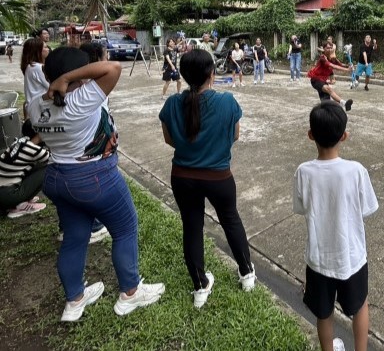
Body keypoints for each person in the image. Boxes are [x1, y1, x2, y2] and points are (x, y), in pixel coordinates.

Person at [27, 47, 165, 321]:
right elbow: (113, 69)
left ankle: (74, 300)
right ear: (74, 78)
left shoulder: (34, 105)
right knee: (125, 228)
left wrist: (59, 79)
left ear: (46, 73)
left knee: (75, 239)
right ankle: (130, 292)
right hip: (93, 176)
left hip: (57, 177)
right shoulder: (79, 99)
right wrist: (70, 79)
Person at [159, 49, 256, 308]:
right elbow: (234, 136)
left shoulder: (171, 104)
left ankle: (200, 286)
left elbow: (169, 140)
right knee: (231, 220)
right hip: (219, 177)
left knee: (192, 227)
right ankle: (247, 273)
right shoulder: (227, 102)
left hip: (183, 176)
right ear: (212, 73)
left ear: (184, 75)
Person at [293, 101, 378, 351]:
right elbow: (367, 209)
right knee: (360, 305)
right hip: (352, 257)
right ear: (345, 136)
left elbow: (301, 209)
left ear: (310, 136)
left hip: (319, 258)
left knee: (324, 312)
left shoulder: (303, 172)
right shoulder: (356, 171)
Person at [0, 136, 48, 218]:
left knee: (38, 166)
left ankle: (21, 201)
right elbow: (57, 160)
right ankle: (20, 206)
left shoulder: (19, 142)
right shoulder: (33, 149)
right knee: (49, 169)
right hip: (8, 195)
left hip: (3, 194)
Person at [307, 42, 353, 111]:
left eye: (331, 48)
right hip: (315, 80)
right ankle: (344, 103)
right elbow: (333, 66)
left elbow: (340, 64)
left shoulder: (333, 59)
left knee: (326, 101)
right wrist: (347, 70)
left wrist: (349, 66)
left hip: (323, 81)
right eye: (327, 48)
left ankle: (326, 112)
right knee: (329, 89)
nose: (329, 49)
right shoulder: (323, 58)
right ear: (324, 49)